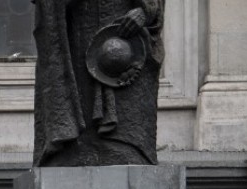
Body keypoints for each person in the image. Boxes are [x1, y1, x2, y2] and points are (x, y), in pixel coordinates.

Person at [33, 0, 165, 166]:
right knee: (73, 150)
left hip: (126, 31)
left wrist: (146, 12)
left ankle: (124, 147)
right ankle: (74, 145)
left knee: (129, 145)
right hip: (76, 30)